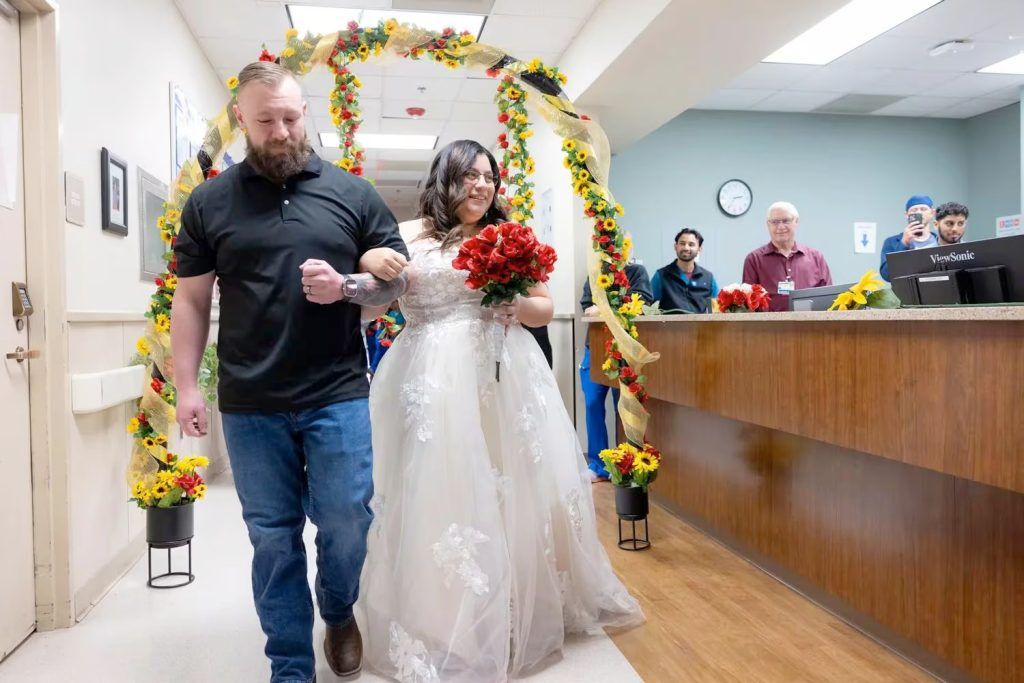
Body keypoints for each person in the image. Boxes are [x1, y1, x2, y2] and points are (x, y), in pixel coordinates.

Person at [358, 140, 643, 682]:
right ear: (444, 180)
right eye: (468, 176)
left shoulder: (509, 234)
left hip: (501, 370)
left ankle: (518, 604)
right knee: (437, 485)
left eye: (488, 176)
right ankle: (441, 614)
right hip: (427, 373)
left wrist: (517, 306)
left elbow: (545, 306)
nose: (481, 186)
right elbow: (375, 302)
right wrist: (367, 262)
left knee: (511, 481)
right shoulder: (408, 235)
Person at [171, 61, 410, 683]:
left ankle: (336, 607)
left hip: (336, 390)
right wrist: (188, 385)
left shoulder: (352, 193)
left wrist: (349, 286)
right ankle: (290, 666)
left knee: (347, 518)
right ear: (242, 122)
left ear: (307, 114)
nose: (281, 131)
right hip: (251, 400)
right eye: (266, 120)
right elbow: (192, 300)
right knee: (272, 538)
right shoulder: (209, 202)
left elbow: (397, 282)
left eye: (292, 117)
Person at [578, 262, 652, 481]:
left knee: (625, 406)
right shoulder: (594, 273)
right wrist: (608, 308)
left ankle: (627, 464)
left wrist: (604, 308)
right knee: (592, 403)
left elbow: (642, 301)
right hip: (596, 346)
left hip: (626, 349)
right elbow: (586, 306)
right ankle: (598, 465)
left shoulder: (637, 272)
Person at [742, 201, 832, 312]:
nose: (780, 227)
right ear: (768, 225)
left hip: (811, 325)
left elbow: (829, 298)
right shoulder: (754, 260)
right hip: (769, 327)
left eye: (786, 221)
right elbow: (748, 304)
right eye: (774, 222)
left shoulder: (816, 257)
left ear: (796, 222)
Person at [651, 228, 719, 313]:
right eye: (682, 243)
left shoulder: (709, 278)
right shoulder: (661, 276)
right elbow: (650, 309)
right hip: (669, 326)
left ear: (699, 249)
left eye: (691, 244)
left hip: (700, 326)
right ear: (675, 247)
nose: (686, 248)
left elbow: (715, 313)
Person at [879, 195, 940, 281]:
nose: (919, 213)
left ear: (932, 213)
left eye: (923, 209)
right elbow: (887, 275)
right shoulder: (891, 242)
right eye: (914, 210)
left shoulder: (940, 241)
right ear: (907, 215)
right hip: (906, 292)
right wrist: (903, 244)